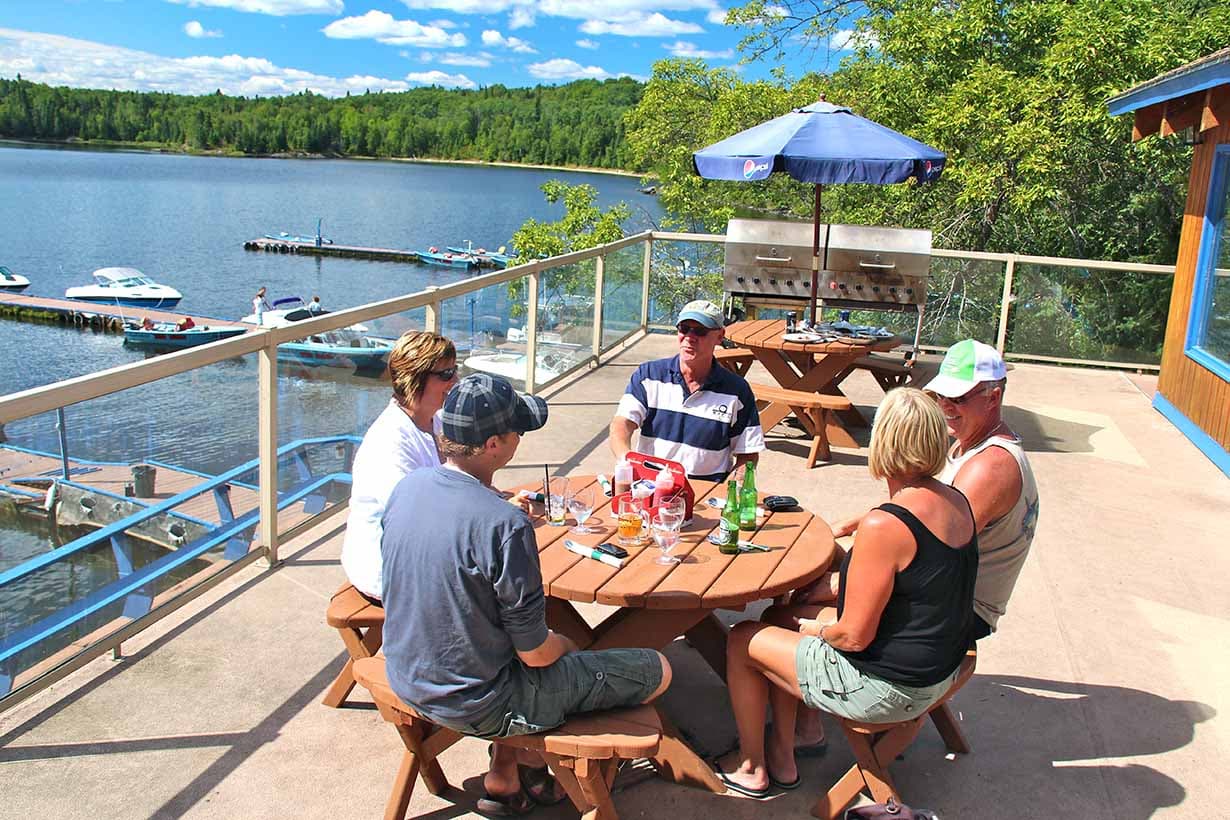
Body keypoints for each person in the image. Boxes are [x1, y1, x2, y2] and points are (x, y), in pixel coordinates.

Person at [381, 374, 672, 814]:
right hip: (478, 700)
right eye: (517, 428)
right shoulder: (504, 524)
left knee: (531, 653)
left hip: (408, 674)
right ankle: (575, 778)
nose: (521, 435)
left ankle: (506, 773)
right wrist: (570, 646)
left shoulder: (408, 489)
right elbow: (537, 654)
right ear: (495, 444)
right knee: (658, 668)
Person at [718, 388, 978, 797]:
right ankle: (790, 748)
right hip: (941, 667)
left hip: (892, 688)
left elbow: (852, 636)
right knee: (777, 620)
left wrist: (813, 629)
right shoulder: (956, 500)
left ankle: (751, 767)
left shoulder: (886, 526)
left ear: (884, 442)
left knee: (741, 639)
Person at [340, 331, 458, 600]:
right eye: (445, 374)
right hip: (390, 572)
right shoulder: (389, 444)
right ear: (414, 379)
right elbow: (412, 522)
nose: (455, 380)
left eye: (455, 370)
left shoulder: (434, 421)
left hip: (424, 552)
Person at [609, 299, 764, 480]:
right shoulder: (648, 375)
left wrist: (728, 492)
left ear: (720, 336)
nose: (690, 337)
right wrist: (628, 462)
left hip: (706, 493)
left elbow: (748, 454)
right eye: (684, 328)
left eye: (700, 331)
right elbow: (621, 425)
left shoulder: (737, 391)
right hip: (650, 486)